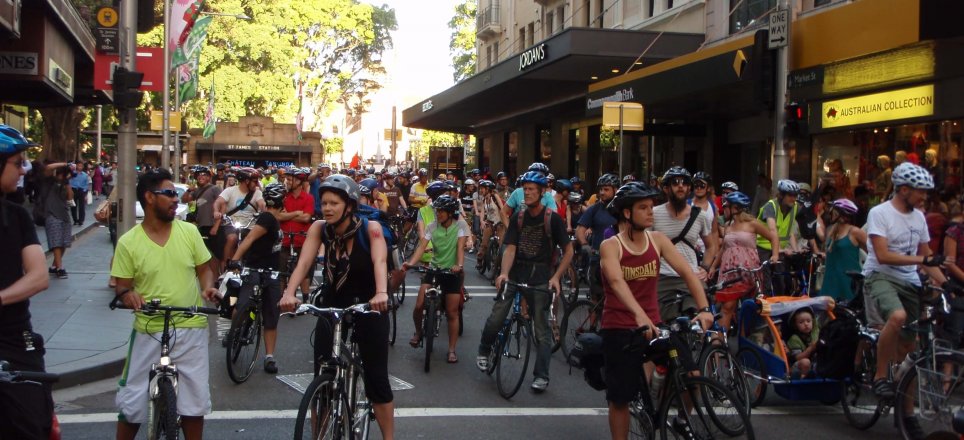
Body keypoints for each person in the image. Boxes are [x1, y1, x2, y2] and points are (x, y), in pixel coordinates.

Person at [279, 175, 394, 439]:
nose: (327, 208)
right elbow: (305, 262)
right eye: (324, 203)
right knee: (323, 371)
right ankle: (319, 433)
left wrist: (381, 293)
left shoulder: (371, 228)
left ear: (350, 206)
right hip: (333, 303)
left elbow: (380, 261)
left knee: (377, 379)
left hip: (369, 304)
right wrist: (289, 293)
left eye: (334, 203)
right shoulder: (319, 228)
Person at [112, 169, 221, 440]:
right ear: (150, 197)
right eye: (170, 193)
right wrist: (128, 296)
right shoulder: (128, 242)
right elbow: (122, 286)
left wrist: (208, 286)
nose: (176, 199)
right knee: (132, 402)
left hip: (191, 327)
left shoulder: (189, 232)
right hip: (148, 329)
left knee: (194, 402)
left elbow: (204, 269)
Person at [599, 181, 713, 440]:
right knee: (620, 399)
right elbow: (616, 281)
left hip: (655, 326)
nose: (651, 212)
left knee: (692, 374)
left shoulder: (658, 240)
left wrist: (705, 308)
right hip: (620, 328)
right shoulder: (611, 245)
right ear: (627, 213)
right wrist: (638, 314)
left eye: (651, 206)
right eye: (643, 207)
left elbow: (688, 273)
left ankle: (678, 418)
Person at [864, 163, 952, 414]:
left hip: (909, 281)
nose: (924, 197)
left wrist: (948, 285)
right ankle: (880, 376)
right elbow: (883, 255)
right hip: (880, 275)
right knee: (897, 316)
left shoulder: (919, 217)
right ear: (904, 190)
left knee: (910, 349)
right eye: (920, 191)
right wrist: (922, 260)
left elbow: (927, 257)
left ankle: (906, 413)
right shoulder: (879, 213)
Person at [477, 170, 573, 392]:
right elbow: (510, 248)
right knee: (496, 317)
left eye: (531, 190)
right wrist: (503, 273)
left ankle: (541, 375)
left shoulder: (552, 219)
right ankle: (484, 349)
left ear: (542, 192)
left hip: (540, 277)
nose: (527, 193)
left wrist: (556, 277)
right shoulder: (518, 218)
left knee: (542, 330)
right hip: (516, 274)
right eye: (525, 189)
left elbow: (568, 251)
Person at [0, 125, 53, 439]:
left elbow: (38, 276)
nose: (24, 170)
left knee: (33, 421)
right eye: (18, 163)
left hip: (14, 338)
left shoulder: (17, 215)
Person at [226, 183, 285, 374]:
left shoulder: (273, 218)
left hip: (271, 272)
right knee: (247, 306)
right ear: (282, 202)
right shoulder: (267, 218)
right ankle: (235, 333)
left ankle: (269, 356)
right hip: (256, 270)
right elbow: (250, 238)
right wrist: (235, 260)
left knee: (270, 313)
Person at [402, 195, 466, 363]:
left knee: (452, 312)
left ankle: (451, 350)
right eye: (437, 211)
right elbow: (422, 246)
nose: (438, 214)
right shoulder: (432, 226)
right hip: (434, 269)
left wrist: (459, 265)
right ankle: (418, 332)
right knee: (419, 305)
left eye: (441, 211)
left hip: (452, 272)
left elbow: (460, 248)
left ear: (450, 213)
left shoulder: (460, 226)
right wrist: (411, 263)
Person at [652, 166, 718, 322]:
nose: (680, 186)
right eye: (675, 183)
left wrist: (705, 267)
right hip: (662, 278)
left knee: (699, 320)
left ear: (689, 189)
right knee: (659, 322)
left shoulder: (700, 216)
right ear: (666, 188)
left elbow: (711, 246)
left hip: (691, 278)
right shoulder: (653, 214)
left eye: (685, 183)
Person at [714, 191, 778, 332]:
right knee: (727, 307)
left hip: (749, 271)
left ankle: (745, 339)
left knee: (749, 307)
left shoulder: (752, 224)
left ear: (736, 208)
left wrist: (775, 255)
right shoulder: (727, 225)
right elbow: (724, 248)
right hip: (729, 271)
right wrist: (713, 267)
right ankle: (719, 341)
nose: (724, 210)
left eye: (727, 207)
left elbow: (773, 237)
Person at [576, 173, 620, 300]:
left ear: (616, 190)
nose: (602, 192)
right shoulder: (594, 209)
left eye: (606, 189)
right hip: (597, 260)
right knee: (596, 298)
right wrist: (585, 245)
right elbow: (579, 230)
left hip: (619, 260)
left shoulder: (622, 210)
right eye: (600, 189)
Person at [212, 167, 264, 272]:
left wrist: (263, 210)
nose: (256, 184)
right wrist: (216, 212)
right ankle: (226, 264)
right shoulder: (230, 191)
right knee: (232, 238)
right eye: (254, 181)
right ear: (246, 181)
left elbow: (262, 204)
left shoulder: (257, 193)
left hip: (250, 226)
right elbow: (218, 202)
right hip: (231, 224)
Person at [756, 179, 801, 295]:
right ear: (781, 195)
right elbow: (773, 230)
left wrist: (796, 250)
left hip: (779, 249)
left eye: (795, 195)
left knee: (781, 284)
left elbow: (790, 231)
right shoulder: (771, 206)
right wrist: (776, 253)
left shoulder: (795, 207)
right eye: (790, 195)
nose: (793, 198)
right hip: (763, 248)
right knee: (765, 285)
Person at [817, 199, 866, 302]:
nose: (831, 212)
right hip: (830, 279)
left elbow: (873, 252)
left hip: (848, 280)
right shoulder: (830, 230)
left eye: (833, 210)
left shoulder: (855, 232)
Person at [279, 167, 314, 298]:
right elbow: (279, 216)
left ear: (298, 181)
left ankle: (305, 300)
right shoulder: (283, 197)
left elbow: (306, 218)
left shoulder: (308, 198)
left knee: (304, 272)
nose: (286, 182)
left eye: (289, 179)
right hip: (285, 240)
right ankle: (281, 299)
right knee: (281, 273)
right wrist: (297, 213)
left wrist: (288, 215)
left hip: (301, 240)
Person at [181, 166, 222, 275]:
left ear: (209, 177)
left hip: (212, 226)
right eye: (198, 175)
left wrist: (216, 226)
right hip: (201, 226)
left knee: (213, 255)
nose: (201, 176)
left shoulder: (215, 189)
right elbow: (184, 200)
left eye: (204, 174)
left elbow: (222, 206)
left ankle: (216, 278)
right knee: (202, 255)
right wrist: (189, 190)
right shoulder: (197, 191)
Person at [41, 161, 73, 279]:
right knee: (56, 243)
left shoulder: (65, 184)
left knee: (64, 242)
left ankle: (54, 266)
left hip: (64, 215)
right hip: (52, 215)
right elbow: (48, 167)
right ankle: (60, 268)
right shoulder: (49, 181)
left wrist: (67, 183)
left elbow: (70, 197)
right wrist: (64, 164)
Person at [474, 180, 507, 268]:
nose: (480, 190)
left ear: (488, 189)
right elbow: (482, 212)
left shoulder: (495, 197)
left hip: (499, 222)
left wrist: (505, 222)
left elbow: (502, 209)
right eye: (480, 188)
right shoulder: (484, 199)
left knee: (501, 244)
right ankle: (479, 259)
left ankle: (502, 263)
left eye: (482, 188)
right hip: (489, 222)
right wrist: (482, 221)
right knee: (484, 243)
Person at [785, 307, 819, 379]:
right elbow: (797, 358)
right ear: (795, 325)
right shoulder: (794, 339)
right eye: (801, 322)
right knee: (805, 362)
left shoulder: (815, 333)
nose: (806, 324)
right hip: (798, 366)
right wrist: (811, 348)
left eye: (808, 321)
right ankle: (803, 379)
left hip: (814, 363)